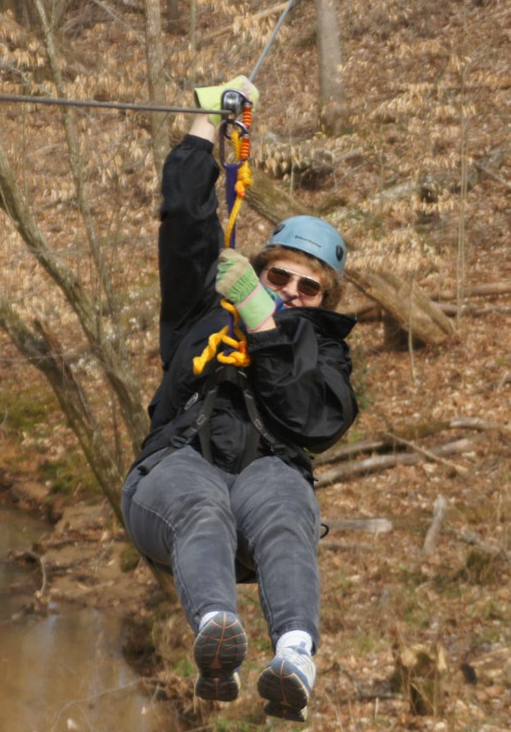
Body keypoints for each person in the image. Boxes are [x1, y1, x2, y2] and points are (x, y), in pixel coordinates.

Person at [121, 75, 358, 722]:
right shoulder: (203, 306)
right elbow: (187, 222)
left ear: (324, 300)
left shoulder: (326, 353)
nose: (289, 290)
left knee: (283, 502)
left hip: (264, 486)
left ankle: (295, 655)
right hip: (173, 474)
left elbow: (312, 417)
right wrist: (205, 126)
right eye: (277, 275)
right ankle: (217, 634)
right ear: (261, 265)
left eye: (307, 288)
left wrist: (263, 321)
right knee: (201, 503)